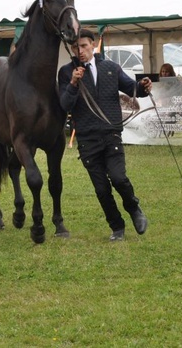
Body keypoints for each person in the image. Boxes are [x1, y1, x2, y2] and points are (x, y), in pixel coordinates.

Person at [58, 29, 152, 241]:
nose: (80, 51)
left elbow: (132, 88)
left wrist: (143, 86)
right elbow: (64, 104)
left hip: (111, 135)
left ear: (93, 45)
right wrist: (73, 83)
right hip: (87, 139)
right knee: (101, 189)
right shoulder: (66, 72)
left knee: (119, 178)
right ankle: (117, 226)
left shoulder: (111, 68)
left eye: (83, 46)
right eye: (75, 47)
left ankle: (134, 208)